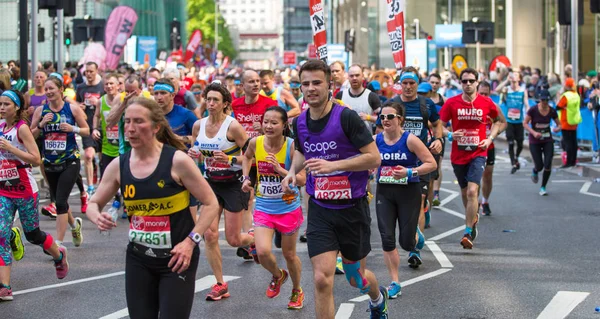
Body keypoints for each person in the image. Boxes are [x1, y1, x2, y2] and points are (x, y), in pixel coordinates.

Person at [85, 97, 220, 319]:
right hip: (139, 258)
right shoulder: (119, 165)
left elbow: (211, 202)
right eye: (127, 122)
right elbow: (93, 203)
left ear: (156, 127)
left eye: (138, 121)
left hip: (177, 258)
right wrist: (96, 216)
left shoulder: (177, 161)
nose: (130, 128)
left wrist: (190, 241)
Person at [282, 60, 389, 318]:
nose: (310, 88)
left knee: (356, 278)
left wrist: (333, 166)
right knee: (321, 279)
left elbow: (374, 158)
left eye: (317, 82)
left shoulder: (346, 117)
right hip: (320, 209)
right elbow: (301, 151)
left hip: (352, 208)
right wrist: (291, 171)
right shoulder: (299, 123)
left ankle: (377, 298)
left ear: (329, 85)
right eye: (305, 84)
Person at [0, 90, 69, 301]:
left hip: (25, 189)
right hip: (4, 188)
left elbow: (36, 159)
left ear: (17, 108)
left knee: (33, 234)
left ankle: (59, 255)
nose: (2, 108)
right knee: (1, 234)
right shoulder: (1, 126)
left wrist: (12, 148)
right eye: (0, 104)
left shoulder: (22, 129)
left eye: (6, 105)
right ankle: (5, 286)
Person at [188, 83, 252, 301]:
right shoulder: (198, 125)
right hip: (211, 185)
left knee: (234, 240)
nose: (211, 103)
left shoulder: (233, 127)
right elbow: (196, 149)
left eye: (216, 100)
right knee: (210, 234)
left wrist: (231, 159)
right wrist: (192, 154)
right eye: (208, 99)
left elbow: (251, 156)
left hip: (233, 184)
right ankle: (220, 283)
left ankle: (253, 241)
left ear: (225, 104)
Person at [241, 106, 306, 309]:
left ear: (284, 125)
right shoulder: (255, 142)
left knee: (289, 254)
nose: (268, 126)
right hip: (264, 206)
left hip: (288, 208)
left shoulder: (292, 147)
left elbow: (302, 179)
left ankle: (297, 290)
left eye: (274, 122)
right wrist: (245, 177)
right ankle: (278, 276)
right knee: (262, 252)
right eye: (265, 122)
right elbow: (246, 156)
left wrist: (280, 170)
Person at [375, 102, 436, 299]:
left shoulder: (410, 140)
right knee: (387, 237)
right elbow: (366, 160)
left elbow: (431, 163)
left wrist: (410, 172)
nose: (385, 120)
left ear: (400, 119)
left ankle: (415, 237)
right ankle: (395, 281)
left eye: (390, 117)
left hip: (408, 192)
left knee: (407, 242)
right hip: (384, 192)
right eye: (382, 117)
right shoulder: (375, 140)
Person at [439, 68, 506, 249]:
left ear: (477, 82)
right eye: (464, 81)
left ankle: (468, 231)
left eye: (471, 81)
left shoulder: (486, 102)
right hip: (458, 155)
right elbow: (439, 127)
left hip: (478, 153)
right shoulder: (452, 103)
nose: (468, 84)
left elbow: (500, 121)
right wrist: (451, 134)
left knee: (472, 192)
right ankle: (473, 217)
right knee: (464, 193)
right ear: (460, 83)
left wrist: (489, 138)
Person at [31, 77, 89, 247]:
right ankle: (74, 225)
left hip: (69, 160)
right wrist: (41, 125)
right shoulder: (40, 111)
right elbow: (29, 136)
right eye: (46, 89)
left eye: (52, 88)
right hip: (49, 162)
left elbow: (87, 131)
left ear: (61, 90)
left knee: (61, 202)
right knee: (59, 201)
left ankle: (58, 244)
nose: (48, 92)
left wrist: (73, 129)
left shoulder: (72, 109)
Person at [388, 67, 443, 234]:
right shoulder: (391, 105)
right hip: (397, 160)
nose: (408, 86)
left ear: (418, 84)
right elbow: (380, 130)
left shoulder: (426, 104)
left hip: (420, 161)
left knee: (419, 201)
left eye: (412, 83)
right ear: (400, 84)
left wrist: (439, 140)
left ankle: (415, 248)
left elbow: (437, 124)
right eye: (404, 83)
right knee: (399, 204)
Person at [232, 70, 278, 248]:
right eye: (251, 81)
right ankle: (249, 239)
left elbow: (281, 132)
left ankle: (279, 229)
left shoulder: (270, 104)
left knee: (271, 197)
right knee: (247, 197)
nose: (256, 84)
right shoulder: (235, 106)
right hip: (245, 158)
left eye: (258, 81)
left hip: (268, 158)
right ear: (242, 86)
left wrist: (263, 130)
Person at [524, 90, 561, 195]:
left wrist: (557, 129)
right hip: (535, 140)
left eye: (546, 100)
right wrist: (534, 133)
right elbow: (525, 123)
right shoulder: (533, 110)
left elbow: (559, 124)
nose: (544, 102)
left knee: (548, 163)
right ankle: (535, 170)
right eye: (543, 100)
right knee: (539, 166)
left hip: (547, 139)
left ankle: (543, 187)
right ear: (539, 100)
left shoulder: (552, 111)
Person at [477, 81, 506, 216]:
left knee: (487, 175)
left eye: (486, 94)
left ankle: (485, 201)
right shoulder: (472, 106)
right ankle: (474, 201)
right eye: (481, 93)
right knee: (475, 176)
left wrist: (495, 133)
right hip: (474, 145)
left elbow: (503, 123)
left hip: (489, 145)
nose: (483, 96)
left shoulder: (494, 107)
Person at [76, 61, 104, 195]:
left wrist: (98, 103)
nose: (88, 74)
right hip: (87, 125)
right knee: (88, 156)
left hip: (102, 126)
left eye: (91, 71)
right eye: (86, 72)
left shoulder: (103, 86)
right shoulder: (81, 87)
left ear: (96, 71)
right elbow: (77, 102)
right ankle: (91, 188)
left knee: (103, 159)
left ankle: (101, 180)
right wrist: (79, 106)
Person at [499, 72, 529, 174]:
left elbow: (526, 104)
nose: (513, 77)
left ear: (519, 78)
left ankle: (516, 157)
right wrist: (506, 81)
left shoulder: (522, 90)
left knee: (520, 143)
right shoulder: (507, 89)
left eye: (516, 75)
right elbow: (497, 90)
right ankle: (513, 163)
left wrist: (529, 115)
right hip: (509, 121)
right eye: (512, 76)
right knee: (511, 142)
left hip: (519, 121)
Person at [556, 78, 582, 168]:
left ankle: (568, 162)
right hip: (574, 122)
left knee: (567, 143)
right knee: (573, 142)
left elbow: (558, 106)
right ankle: (573, 161)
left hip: (566, 121)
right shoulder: (576, 95)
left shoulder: (566, 96)